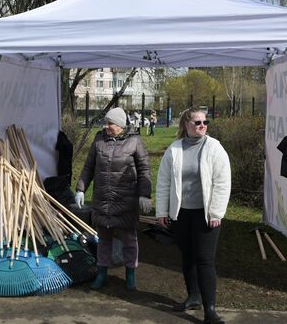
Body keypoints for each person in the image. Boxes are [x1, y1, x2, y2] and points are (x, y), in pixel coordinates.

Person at [155, 107, 231, 324]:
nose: (203, 126)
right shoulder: (174, 149)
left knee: (205, 260)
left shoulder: (214, 148)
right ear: (186, 124)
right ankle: (193, 297)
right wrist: (162, 211)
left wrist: (216, 212)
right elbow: (164, 182)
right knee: (187, 256)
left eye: (205, 122)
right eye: (198, 122)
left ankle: (210, 310)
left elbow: (223, 183)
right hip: (181, 213)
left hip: (206, 214)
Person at [75, 107, 152, 291]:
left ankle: (130, 274)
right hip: (103, 198)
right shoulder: (99, 139)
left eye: (110, 123)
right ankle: (102, 273)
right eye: (106, 122)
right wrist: (80, 188)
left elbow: (144, 170)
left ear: (120, 125)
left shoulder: (135, 141)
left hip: (126, 199)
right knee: (103, 240)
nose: (106, 126)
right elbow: (89, 166)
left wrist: (144, 194)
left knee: (129, 239)